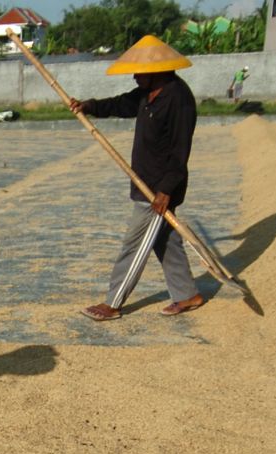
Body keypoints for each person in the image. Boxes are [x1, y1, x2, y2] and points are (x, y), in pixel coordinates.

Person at [69, 35, 205, 321]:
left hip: (158, 189)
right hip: (144, 180)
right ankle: (187, 295)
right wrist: (89, 106)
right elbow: (120, 104)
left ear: (157, 70)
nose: (134, 76)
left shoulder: (179, 99)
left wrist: (166, 190)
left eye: (138, 72)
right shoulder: (147, 94)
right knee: (164, 240)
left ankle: (113, 303)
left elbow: (181, 151)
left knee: (134, 245)